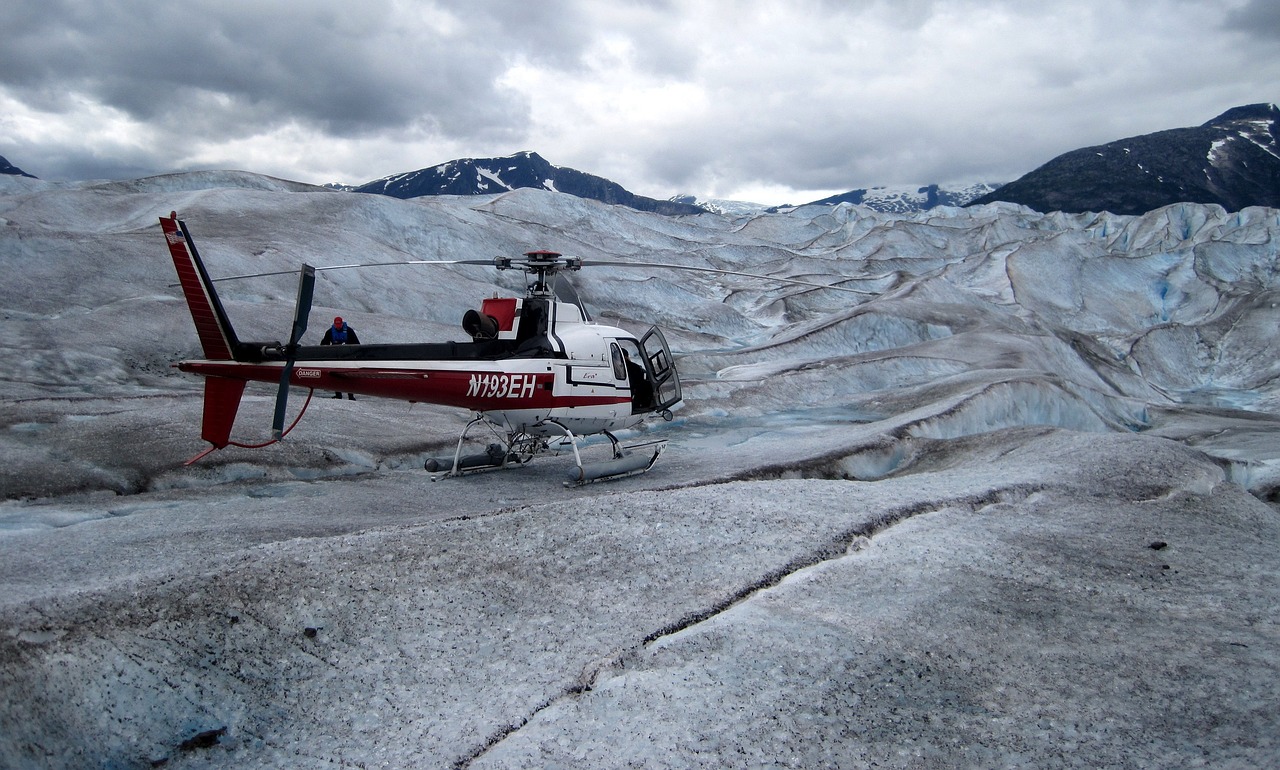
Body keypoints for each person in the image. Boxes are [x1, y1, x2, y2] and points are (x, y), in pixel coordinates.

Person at [320, 316, 360, 399]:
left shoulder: (349, 331)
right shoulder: (330, 332)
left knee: (349, 377)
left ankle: (351, 396)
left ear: (342, 323)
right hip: (336, 357)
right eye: (336, 325)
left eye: (339, 324)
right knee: (335, 376)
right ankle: (338, 395)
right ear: (334, 324)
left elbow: (357, 344)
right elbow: (323, 344)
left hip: (348, 357)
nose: (338, 326)